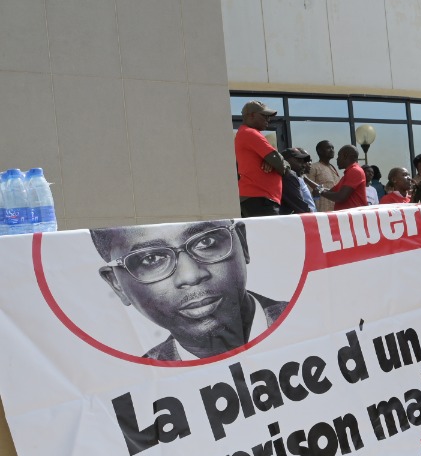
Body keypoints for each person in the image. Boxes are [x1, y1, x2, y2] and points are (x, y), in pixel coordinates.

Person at [91, 220, 286, 360]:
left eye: (206, 242)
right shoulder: (136, 393)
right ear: (116, 283)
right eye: (151, 259)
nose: (190, 275)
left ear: (242, 242)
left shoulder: (312, 318)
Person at [235, 100, 288, 217]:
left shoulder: (246, 133)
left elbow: (277, 161)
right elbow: (281, 165)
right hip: (259, 198)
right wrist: (274, 161)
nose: (268, 120)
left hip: (258, 198)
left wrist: (269, 159)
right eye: (265, 116)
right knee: (271, 235)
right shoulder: (250, 133)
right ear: (252, 115)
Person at [317, 144, 367, 210]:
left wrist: (320, 191)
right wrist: (306, 179)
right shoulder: (348, 173)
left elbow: (340, 197)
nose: (337, 159)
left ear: (345, 155)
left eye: (339, 156)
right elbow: (330, 191)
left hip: (354, 217)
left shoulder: (355, 171)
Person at [279, 147, 317, 215]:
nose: (303, 165)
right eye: (299, 161)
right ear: (286, 161)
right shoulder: (289, 176)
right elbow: (301, 207)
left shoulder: (295, 177)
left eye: (303, 162)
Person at [308, 140, 340, 213]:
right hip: (322, 212)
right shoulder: (313, 168)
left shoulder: (333, 168)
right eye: (328, 148)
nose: (332, 150)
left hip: (337, 211)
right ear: (319, 151)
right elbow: (308, 192)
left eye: (332, 148)